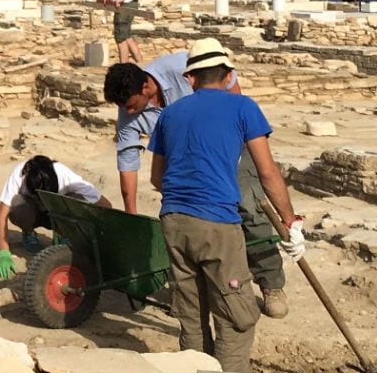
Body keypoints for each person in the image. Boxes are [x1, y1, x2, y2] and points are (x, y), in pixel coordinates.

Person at [148, 41, 306, 372]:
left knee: (191, 312)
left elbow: (157, 178)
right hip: (217, 222)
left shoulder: (170, 113)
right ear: (229, 75)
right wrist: (290, 221)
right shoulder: (243, 107)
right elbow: (267, 172)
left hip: (174, 221)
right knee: (236, 314)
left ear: (190, 78)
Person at [104, 41, 290, 317]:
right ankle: (195, 292)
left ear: (145, 88)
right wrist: (131, 215)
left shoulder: (184, 66)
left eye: (132, 106)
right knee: (186, 222)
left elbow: (232, 95)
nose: (128, 113)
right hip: (184, 164)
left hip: (229, 148)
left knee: (250, 211)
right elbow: (128, 162)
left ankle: (270, 283)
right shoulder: (127, 110)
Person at [0, 154, 109, 280]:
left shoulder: (66, 175)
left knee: (77, 201)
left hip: (56, 211)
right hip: (33, 212)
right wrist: (4, 252)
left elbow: (105, 205)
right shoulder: (19, 174)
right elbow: (2, 215)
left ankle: (62, 233)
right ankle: (28, 232)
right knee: (17, 206)